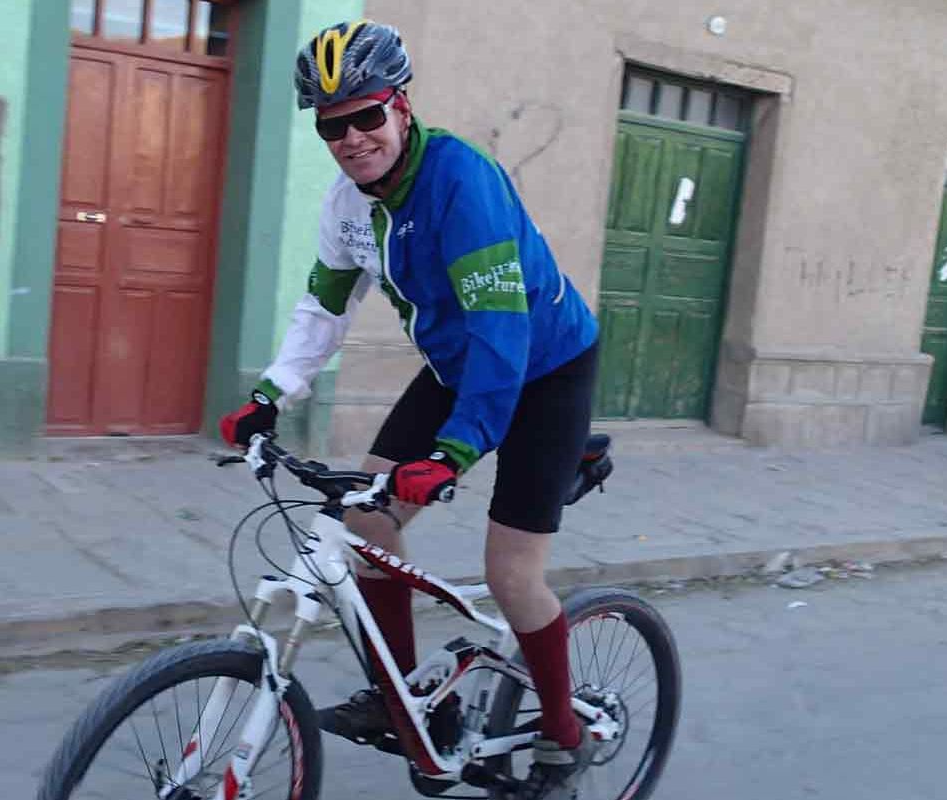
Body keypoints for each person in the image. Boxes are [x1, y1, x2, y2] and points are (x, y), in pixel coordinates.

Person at [218, 19, 602, 800]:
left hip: (545, 368)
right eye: (333, 126)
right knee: (366, 523)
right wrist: (268, 395)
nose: (353, 137)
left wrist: (456, 453)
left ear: (401, 106)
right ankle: (409, 710)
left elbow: (503, 330)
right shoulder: (346, 205)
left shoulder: (464, 182)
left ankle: (565, 732)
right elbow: (324, 308)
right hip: (458, 365)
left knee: (512, 574)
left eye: (366, 115)